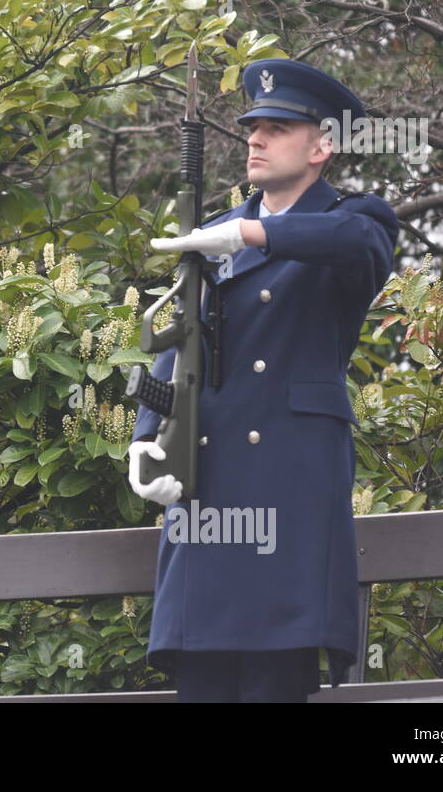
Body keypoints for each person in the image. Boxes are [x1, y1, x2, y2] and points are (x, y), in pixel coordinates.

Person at [127, 59, 400, 702]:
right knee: (203, 679)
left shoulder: (354, 220)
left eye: (276, 127)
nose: (254, 138)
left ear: (322, 145)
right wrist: (145, 439)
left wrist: (248, 232)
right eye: (252, 126)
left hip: (289, 486)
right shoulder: (216, 235)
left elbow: (354, 243)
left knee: (278, 679)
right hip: (209, 487)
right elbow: (178, 342)